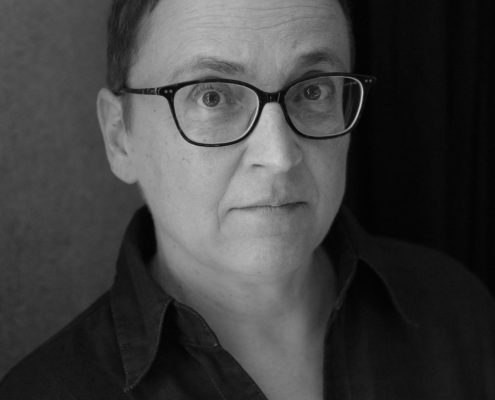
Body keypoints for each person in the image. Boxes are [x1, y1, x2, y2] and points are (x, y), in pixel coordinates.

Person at [1, 0, 495, 398]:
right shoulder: (48, 391)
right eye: (212, 96)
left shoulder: (458, 314)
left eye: (314, 91)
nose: (279, 156)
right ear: (119, 136)